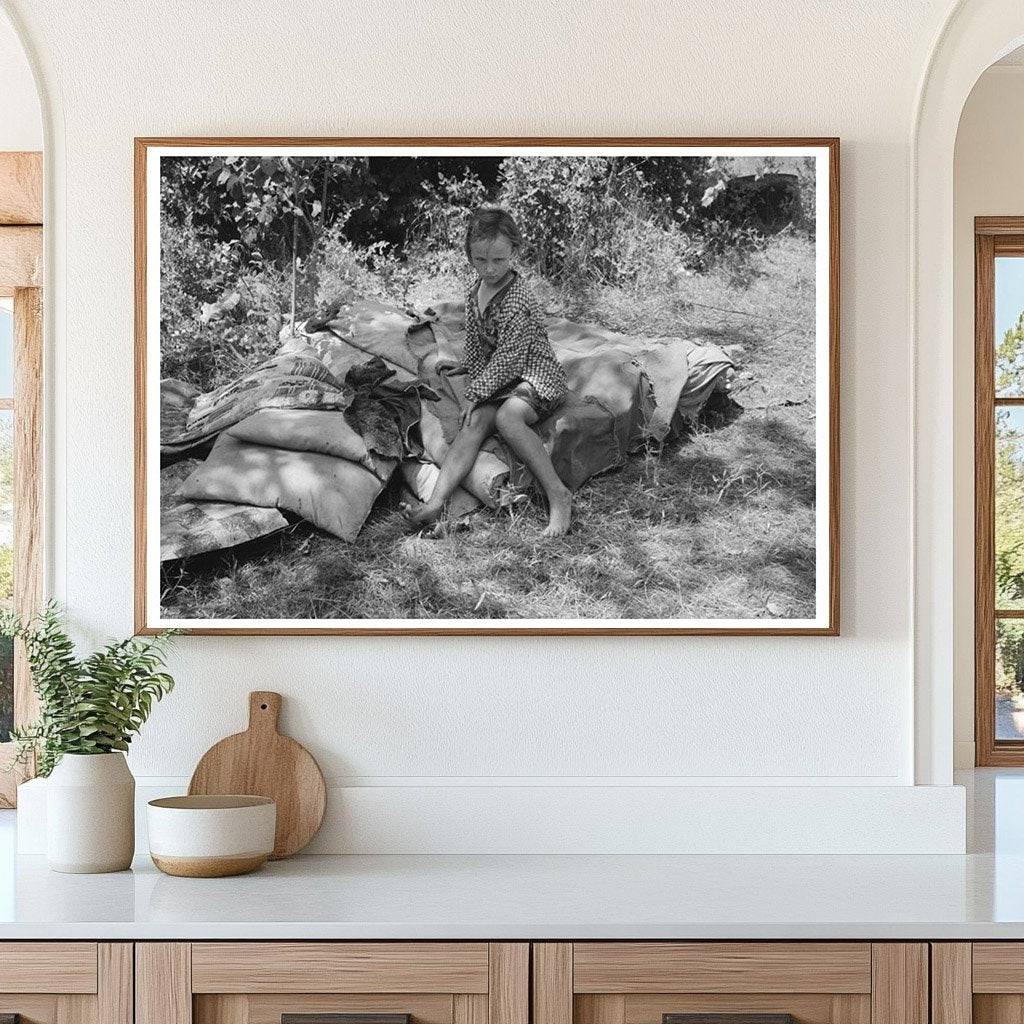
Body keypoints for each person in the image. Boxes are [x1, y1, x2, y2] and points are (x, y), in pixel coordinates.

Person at [403, 206, 572, 537]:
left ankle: (558, 493)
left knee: (507, 418)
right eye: (481, 260)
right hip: (502, 378)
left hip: (533, 375)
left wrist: (474, 392)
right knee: (475, 421)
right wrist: (469, 368)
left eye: (498, 260)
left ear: (514, 252)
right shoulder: (475, 289)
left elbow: (509, 357)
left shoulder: (518, 300)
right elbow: (477, 342)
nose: (490, 269)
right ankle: (436, 503)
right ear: (469, 256)